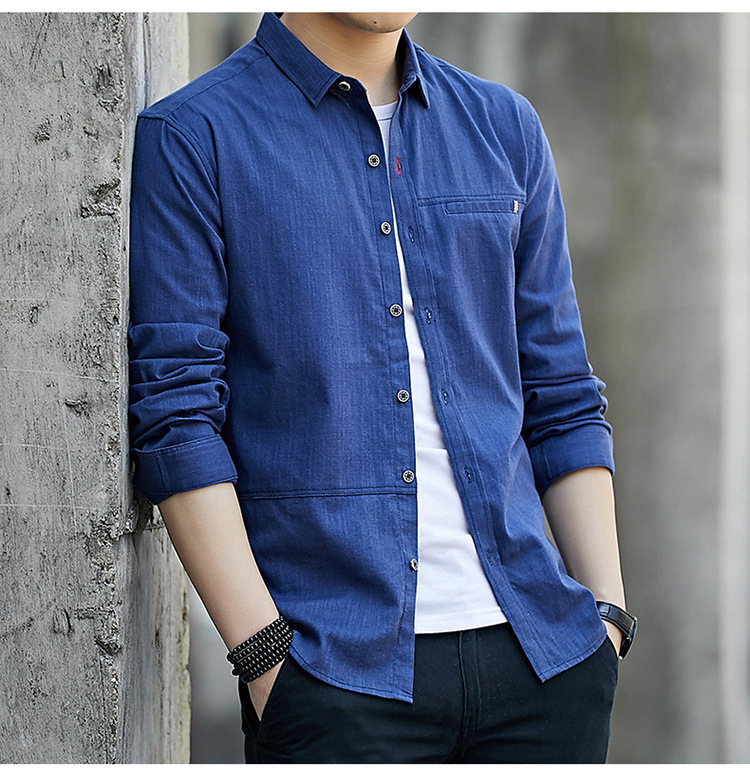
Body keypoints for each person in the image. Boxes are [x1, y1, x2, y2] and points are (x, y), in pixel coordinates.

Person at [127, 11, 637, 764]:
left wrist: (607, 620)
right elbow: (176, 418)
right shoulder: (194, 136)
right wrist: (266, 662)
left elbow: (559, 391)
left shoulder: (504, 127)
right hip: (332, 676)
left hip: (545, 664)